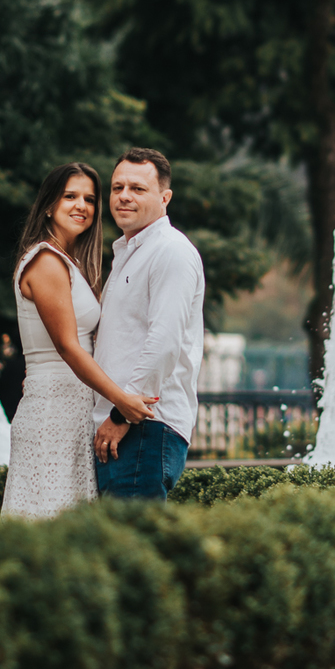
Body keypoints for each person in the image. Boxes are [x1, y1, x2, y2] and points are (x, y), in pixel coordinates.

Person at [2, 162, 158, 519]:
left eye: (89, 199)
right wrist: (122, 400)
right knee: (47, 522)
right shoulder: (46, 261)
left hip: (73, 408)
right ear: (48, 205)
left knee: (69, 526)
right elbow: (67, 346)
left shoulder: (69, 262)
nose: (81, 206)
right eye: (70, 196)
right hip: (53, 410)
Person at [92, 147, 205, 501]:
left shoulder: (171, 251)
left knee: (129, 535)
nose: (124, 196)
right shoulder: (128, 254)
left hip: (143, 426)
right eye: (117, 187)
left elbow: (164, 342)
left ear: (164, 198)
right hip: (126, 425)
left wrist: (121, 416)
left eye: (138, 189)